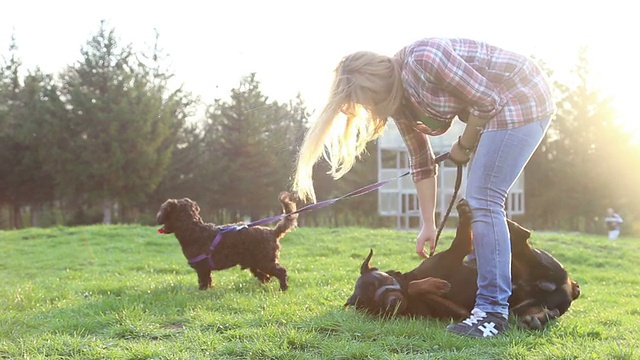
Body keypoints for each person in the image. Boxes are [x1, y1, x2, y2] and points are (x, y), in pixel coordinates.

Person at [292, 38, 555, 338]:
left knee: (483, 198)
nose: (367, 109)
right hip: (497, 110)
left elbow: (487, 100)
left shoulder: (424, 59)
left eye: (364, 101)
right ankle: (488, 270)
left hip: (522, 96)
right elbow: (421, 161)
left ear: (373, 83)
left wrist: (464, 145)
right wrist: (427, 224)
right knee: (481, 197)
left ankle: (491, 314)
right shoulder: (399, 104)